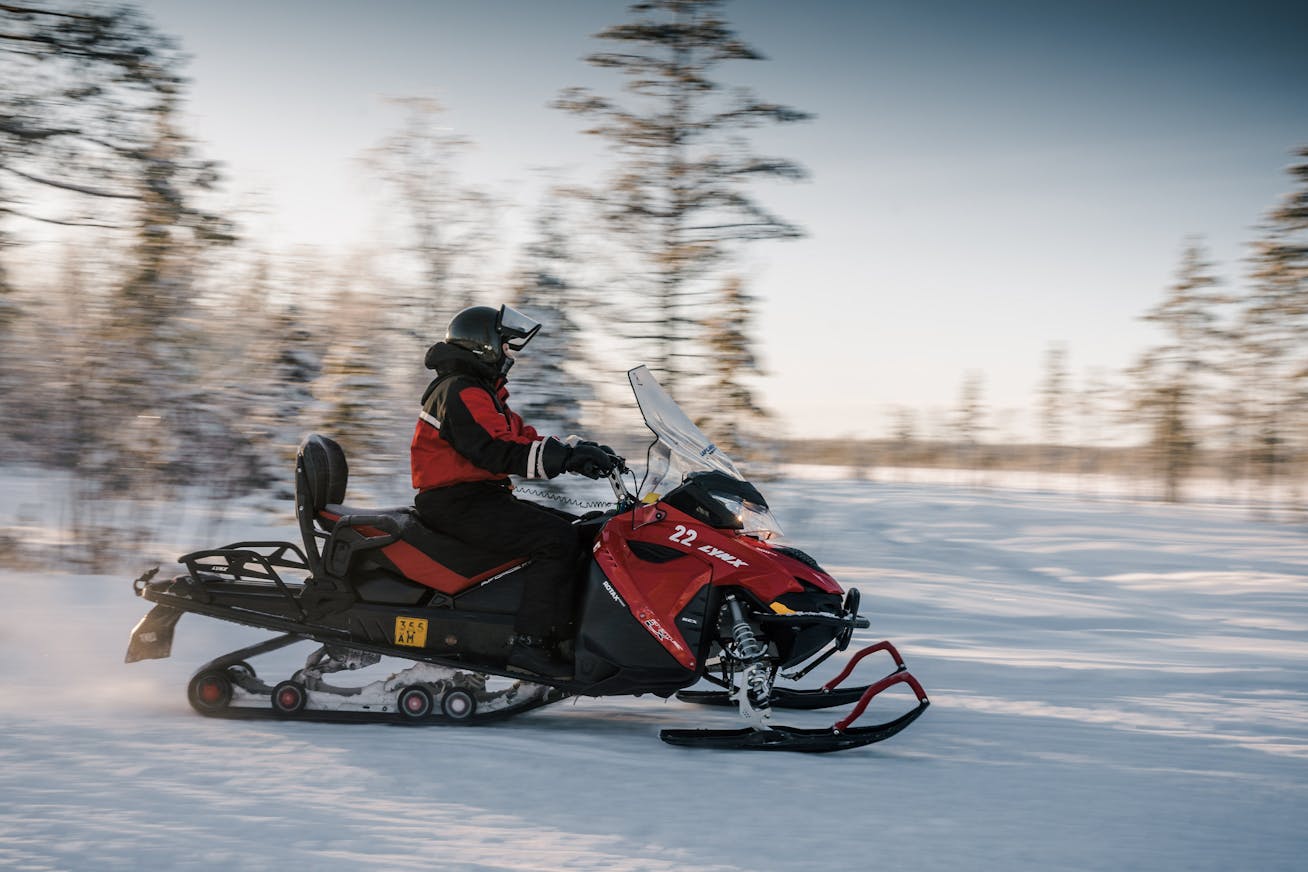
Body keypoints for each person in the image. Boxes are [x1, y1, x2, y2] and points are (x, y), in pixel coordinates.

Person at [410, 304, 618, 679]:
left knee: (584, 531)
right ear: (483, 346)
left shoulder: (479, 391)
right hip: (456, 502)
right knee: (555, 541)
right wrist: (565, 460)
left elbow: (520, 437)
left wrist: (578, 450)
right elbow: (495, 451)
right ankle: (531, 645)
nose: (511, 355)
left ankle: (570, 635)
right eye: (506, 346)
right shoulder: (460, 390)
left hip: (476, 497)